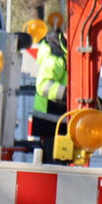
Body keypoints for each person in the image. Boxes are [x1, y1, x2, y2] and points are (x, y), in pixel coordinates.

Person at [31, 30, 68, 163]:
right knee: (54, 168)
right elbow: (43, 85)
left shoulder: (63, 53)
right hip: (52, 123)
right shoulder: (56, 56)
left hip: (57, 122)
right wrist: (69, 95)